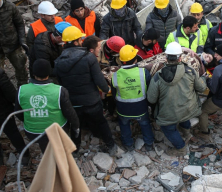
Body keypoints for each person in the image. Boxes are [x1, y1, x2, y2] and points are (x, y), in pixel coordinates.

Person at [54, 26, 118, 155]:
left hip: (72, 102)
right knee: (101, 121)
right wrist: (107, 89)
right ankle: (111, 146)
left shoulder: (58, 61)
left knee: (75, 125)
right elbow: (99, 80)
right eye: (80, 39)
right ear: (77, 41)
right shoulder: (88, 57)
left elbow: (61, 83)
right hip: (91, 101)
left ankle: (75, 149)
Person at [147, 42, 207, 156]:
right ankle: (186, 133)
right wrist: (203, 78)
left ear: (166, 57)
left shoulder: (157, 76)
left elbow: (151, 99)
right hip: (189, 109)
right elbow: (202, 88)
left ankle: (180, 148)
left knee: (167, 127)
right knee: (184, 116)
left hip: (170, 113)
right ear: (180, 58)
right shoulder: (190, 71)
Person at [15, 59, 79, 153]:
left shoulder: (22, 90)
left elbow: (18, 112)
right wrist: (76, 126)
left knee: (45, 146)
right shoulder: (59, 90)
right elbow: (70, 113)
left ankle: (47, 154)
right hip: (57, 131)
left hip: (33, 132)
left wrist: (32, 118)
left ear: (33, 72)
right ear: (49, 72)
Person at [111, 45, 154, 152]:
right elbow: (150, 90)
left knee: (124, 125)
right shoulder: (143, 72)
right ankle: (149, 143)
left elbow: (114, 94)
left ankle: (128, 144)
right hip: (140, 107)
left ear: (121, 61)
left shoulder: (115, 75)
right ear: (135, 59)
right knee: (144, 124)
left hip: (123, 109)